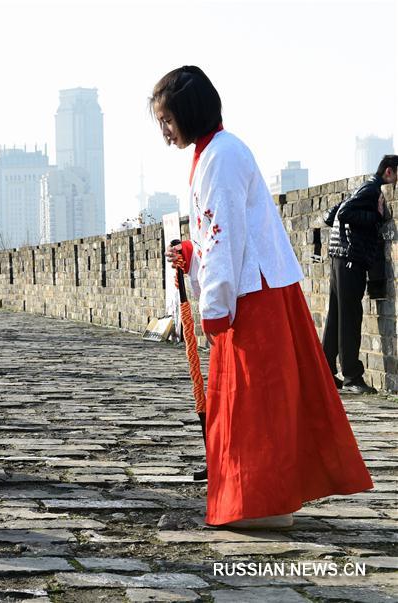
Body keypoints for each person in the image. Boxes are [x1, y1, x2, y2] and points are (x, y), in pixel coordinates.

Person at [154, 66, 372, 529]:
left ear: (189, 113)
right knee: (252, 401)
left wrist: (213, 305)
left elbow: (226, 237)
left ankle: (264, 503)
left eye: (167, 121)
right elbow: (217, 236)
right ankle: (258, 499)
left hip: (253, 295)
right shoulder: (213, 153)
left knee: (256, 402)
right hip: (250, 288)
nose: (165, 132)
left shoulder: (222, 157)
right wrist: (192, 254)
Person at [322, 155, 397, 394]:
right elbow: (343, 214)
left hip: (339, 257)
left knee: (336, 316)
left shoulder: (362, 187)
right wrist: (375, 216)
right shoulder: (371, 190)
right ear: (389, 172)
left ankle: (323, 372)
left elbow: (329, 216)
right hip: (349, 259)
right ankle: (352, 376)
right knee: (350, 316)